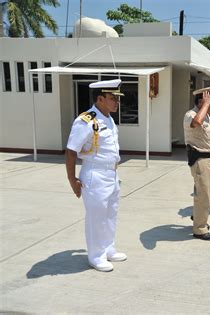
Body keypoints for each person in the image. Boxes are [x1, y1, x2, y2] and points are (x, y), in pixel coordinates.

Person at [65, 79, 127, 272]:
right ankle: (96, 256)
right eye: (112, 98)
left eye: (117, 97)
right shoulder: (86, 120)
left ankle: (108, 249)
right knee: (96, 217)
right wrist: (72, 179)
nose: (116, 101)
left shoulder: (108, 118)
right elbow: (71, 151)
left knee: (110, 214)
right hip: (95, 174)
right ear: (100, 99)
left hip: (111, 173)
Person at [183, 87, 210, 241]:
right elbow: (196, 123)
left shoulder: (207, 116)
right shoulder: (190, 115)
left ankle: (198, 214)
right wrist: (205, 105)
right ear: (201, 101)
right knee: (203, 195)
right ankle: (199, 229)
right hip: (200, 160)